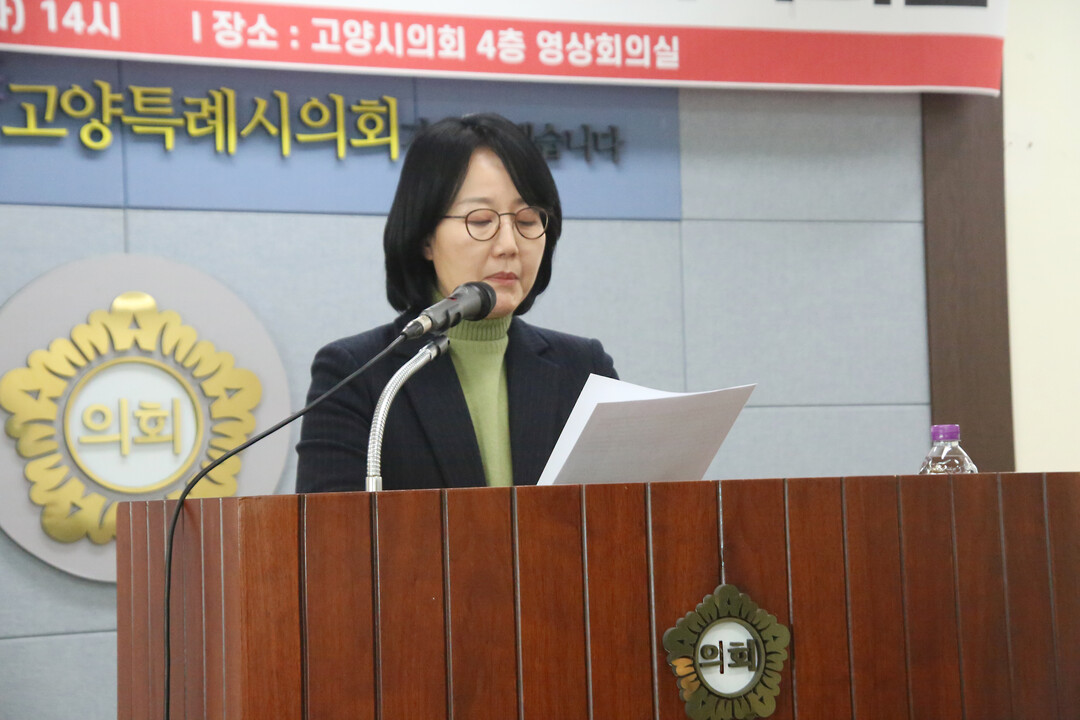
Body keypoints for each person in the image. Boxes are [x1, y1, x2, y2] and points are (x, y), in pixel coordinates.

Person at [295, 113, 617, 492]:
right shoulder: (358, 376)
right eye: (480, 221)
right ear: (425, 238)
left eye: (528, 221)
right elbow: (329, 526)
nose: (509, 245)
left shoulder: (585, 370)